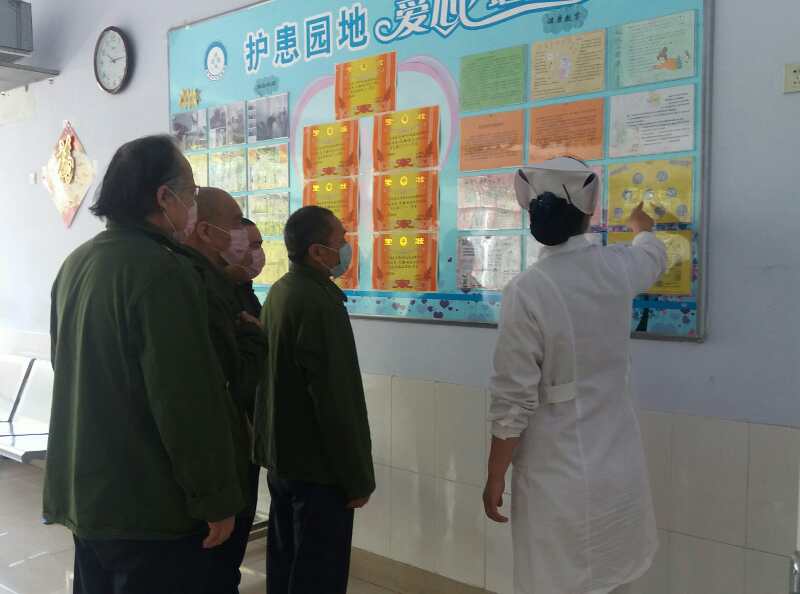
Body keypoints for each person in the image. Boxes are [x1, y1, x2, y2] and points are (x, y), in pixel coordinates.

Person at [45, 136, 244, 594]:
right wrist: (215, 498)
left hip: (88, 495)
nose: (193, 204)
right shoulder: (163, 272)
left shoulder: (77, 263)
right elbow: (184, 399)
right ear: (164, 197)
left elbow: (65, 364)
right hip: (147, 507)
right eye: (191, 193)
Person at [482, 157, 668, 594]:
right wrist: (642, 227)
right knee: (611, 579)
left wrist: (494, 476)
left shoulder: (528, 290)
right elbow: (652, 256)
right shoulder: (617, 267)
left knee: (556, 580)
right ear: (589, 213)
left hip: (558, 475)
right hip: (616, 467)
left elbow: (512, 401)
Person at [253, 205, 375, 594]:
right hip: (319, 471)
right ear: (318, 252)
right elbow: (336, 401)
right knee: (318, 574)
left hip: (284, 462)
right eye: (341, 240)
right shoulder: (320, 304)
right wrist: (357, 477)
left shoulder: (281, 291)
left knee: (287, 564)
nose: (348, 247)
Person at [182, 188, 267, 593]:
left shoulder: (231, 289)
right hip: (220, 449)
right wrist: (255, 338)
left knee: (225, 563)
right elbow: (232, 380)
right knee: (214, 566)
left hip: (238, 441)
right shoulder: (200, 287)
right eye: (236, 225)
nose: (248, 246)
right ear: (204, 231)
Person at [223, 217, 266, 319]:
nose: (258, 251)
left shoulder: (244, 286)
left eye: (258, 245)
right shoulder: (219, 295)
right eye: (254, 245)